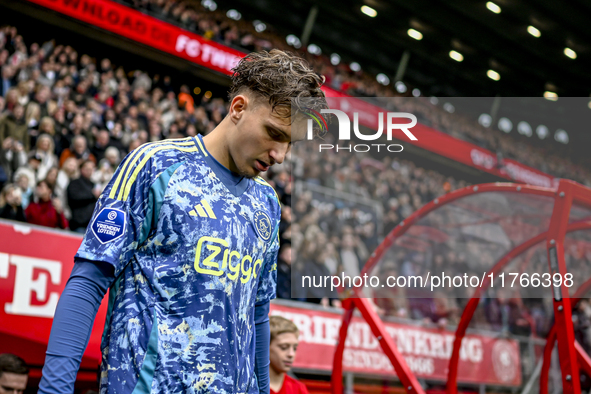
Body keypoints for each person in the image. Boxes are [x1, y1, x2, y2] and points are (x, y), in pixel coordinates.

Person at [39, 49, 327, 394]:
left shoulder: (267, 202)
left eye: (290, 143)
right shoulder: (155, 165)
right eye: (274, 133)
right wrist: (53, 389)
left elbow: (258, 314)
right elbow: (88, 282)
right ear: (238, 108)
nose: (280, 156)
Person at [268, 316, 308, 394]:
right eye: (284, 347)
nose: (291, 354)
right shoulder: (248, 386)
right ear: (265, 347)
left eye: (295, 348)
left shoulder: (299, 389)